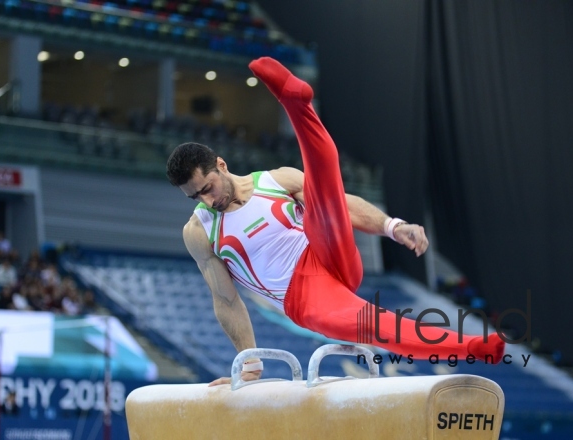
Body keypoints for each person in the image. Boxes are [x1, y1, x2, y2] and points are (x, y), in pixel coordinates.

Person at [166, 57, 505, 385]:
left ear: (221, 165)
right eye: (196, 196)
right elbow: (226, 300)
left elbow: (340, 205)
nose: (207, 200)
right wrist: (250, 362)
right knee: (377, 326)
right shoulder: (199, 231)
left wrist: (393, 226)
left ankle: (297, 104)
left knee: (325, 192)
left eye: (207, 187)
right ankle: (475, 346)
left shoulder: (276, 181)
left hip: (325, 251)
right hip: (304, 297)